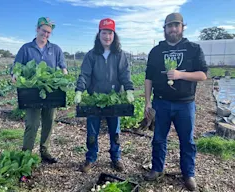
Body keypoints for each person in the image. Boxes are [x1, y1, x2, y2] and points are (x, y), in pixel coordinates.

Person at [143, 13, 208, 191]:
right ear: (164, 29)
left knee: (187, 141)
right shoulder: (156, 51)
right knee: (158, 139)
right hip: (161, 103)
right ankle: (157, 169)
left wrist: (181, 75)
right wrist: (147, 102)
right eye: (169, 26)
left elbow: (203, 75)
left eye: (176, 25)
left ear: (182, 27)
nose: (172, 29)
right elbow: (148, 78)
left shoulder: (193, 48)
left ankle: (188, 174)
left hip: (185, 104)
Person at [74, 18, 134, 173]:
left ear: (114, 35)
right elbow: (85, 75)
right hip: (95, 99)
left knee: (115, 131)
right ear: (99, 34)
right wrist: (79, 90)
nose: (107, 36)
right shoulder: (91, 55)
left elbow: (124, 74)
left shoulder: (119, 55)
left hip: (113, 99)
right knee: (92, 132)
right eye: (104, 33)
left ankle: (116, 157)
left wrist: (128, 89)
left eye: (110, 33)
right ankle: (91, 157)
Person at [11, 17, 68, 164]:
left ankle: (45, 151)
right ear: (37, 29)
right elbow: (16, 67)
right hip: (31, 93)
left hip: (50, 92)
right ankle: (26, 154)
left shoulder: (55, 49)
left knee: (49, 122)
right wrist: (15, 75)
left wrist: (64, 74)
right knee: (32, 123)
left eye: (49, 32)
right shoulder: (26, 48)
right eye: (44, 31)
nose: (46, 34)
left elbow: (63, 67)